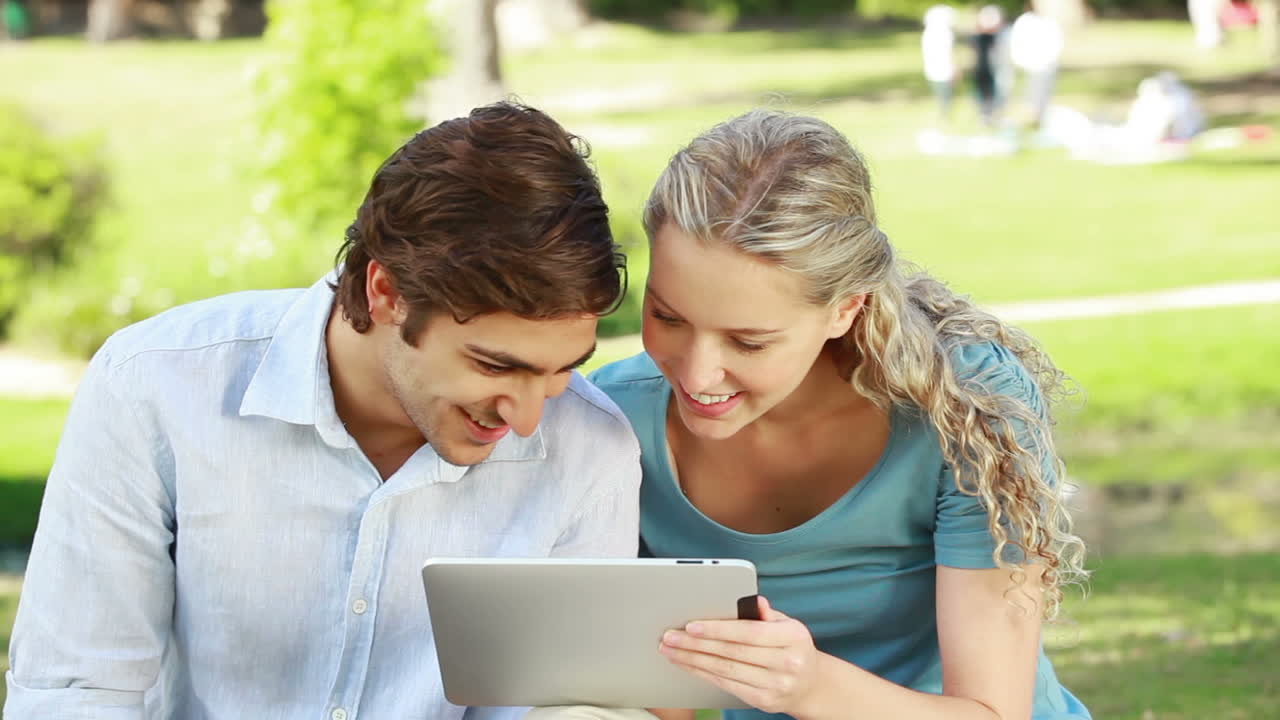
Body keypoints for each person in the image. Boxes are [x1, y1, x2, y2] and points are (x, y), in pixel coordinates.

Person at [5, 101, 642, 719]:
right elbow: (76, 689)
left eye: (563, 369)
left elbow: (564, 709)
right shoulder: (153, 386)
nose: (530, 420)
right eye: (495, 366)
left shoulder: (590, 452)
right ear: (386, 290)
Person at [590, 110, 1091, 719]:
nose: (696, 375)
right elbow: (653, 689)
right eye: (668, 317)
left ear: (844, 309)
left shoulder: (965, 404)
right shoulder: (617, 422)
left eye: (748, 342)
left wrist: (807, 687)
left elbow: (992, 712)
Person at [1009, 2, 1064, 128]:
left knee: (1044, 94)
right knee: (1031, 95)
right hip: (1031, 66)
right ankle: (1031, 120)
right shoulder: (1025, 21)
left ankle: (1041, 119)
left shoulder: (1049, 21)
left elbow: (1056, 42)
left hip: (1047, 65)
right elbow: (1018, 43)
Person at [920, 5, 958, 125]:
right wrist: (955, 68)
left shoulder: (928, 32)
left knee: (941, 94)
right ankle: (944, 116)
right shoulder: (944, 33)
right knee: (945, 95)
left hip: (933, 68)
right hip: (943, 68)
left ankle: (943, 115)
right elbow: (950, 52)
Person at [972, 5, 1008, 127]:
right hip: (983, 69)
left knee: (996, 94)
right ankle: (985, 115)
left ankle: (994, 115)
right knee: (983, 94)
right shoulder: (979, 37)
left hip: (995, 70)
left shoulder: (999, 36)